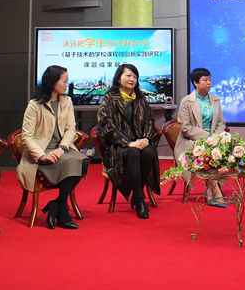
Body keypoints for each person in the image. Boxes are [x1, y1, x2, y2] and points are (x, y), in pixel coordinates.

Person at [17, 66, 89, 229]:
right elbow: (26, 136)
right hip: (41, 151)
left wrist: (62, 148)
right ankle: (62, 211)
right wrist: (42, 155)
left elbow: (71, 129)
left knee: (83, 161)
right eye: (64, 81)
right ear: (52, 82)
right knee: (71, 163)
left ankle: (57, 204)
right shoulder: (34, 105)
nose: (66, 84)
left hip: (62, 149)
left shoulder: (67, 101)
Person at [96, 63, 161, 219]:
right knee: (132, 153)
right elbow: (105, 124)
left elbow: (149, 121)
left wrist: (146, 138)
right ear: (119, 78)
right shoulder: (110, 98)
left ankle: (136, 194)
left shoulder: (140, 98)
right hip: (118, 145)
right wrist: (127, 142)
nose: (132, 79)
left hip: (139, 140)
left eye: (135, 76)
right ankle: (139, 200)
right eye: (128, 75)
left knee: (149, 152)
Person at [177, 67, 227, 207]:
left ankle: (209, 190)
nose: (209, 82)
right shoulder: (187, 101)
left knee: (222, 147)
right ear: (196, 83)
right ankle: (215, 190)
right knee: (206, 150)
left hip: (213, 138)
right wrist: (207, 137)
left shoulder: (215, 99)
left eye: (210, 79)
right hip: (192, 139)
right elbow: (185, 128)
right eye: (205, 80)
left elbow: (221, 122)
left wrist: (215, 136)